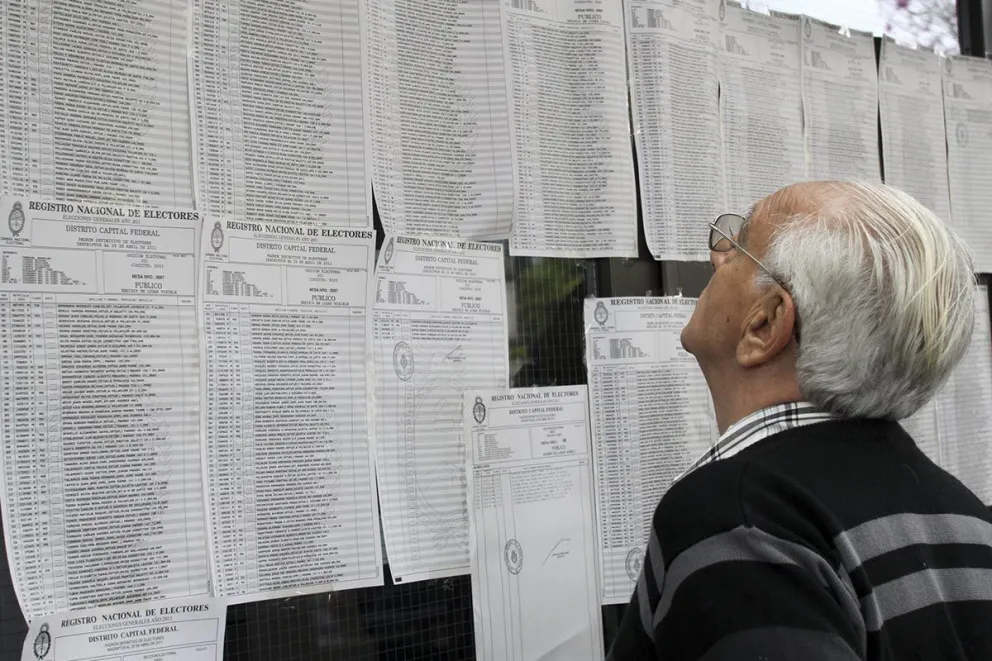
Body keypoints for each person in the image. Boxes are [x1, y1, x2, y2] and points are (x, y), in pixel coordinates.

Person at [608, 181, 992, 661]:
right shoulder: (972, 523)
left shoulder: (740, 522)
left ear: (765, 325)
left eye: (740, 242)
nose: (717, 257)